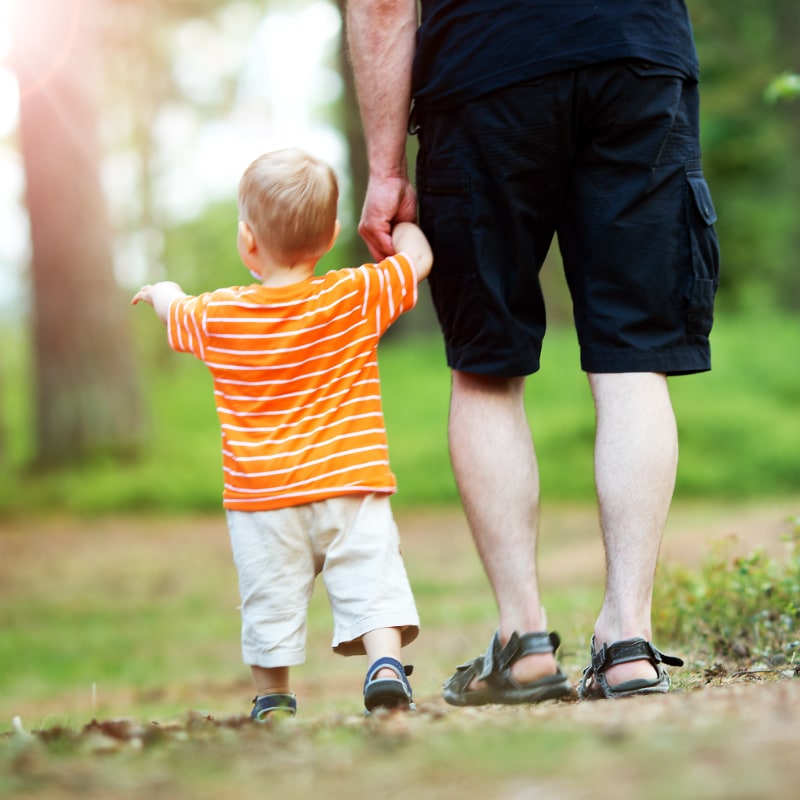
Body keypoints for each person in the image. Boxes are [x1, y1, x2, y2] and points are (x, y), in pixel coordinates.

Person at [346, 1, 719, 703]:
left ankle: (523, 642)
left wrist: (386, 164)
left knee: (486, 366)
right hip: (636, 53)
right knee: (634, 358)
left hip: (487, 63)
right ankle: (628, 642)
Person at [132, 147, 433, 718]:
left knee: (269, 599)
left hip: (262, 498)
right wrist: (403, 222)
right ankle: (385, 665)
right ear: (332, 234)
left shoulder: (221, 317)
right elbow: (417, 260)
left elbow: (176, 311)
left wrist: (161, 290)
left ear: (248, 241)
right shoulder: (353, 296)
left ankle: (273, 698)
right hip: (350, 480)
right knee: (372, 574)